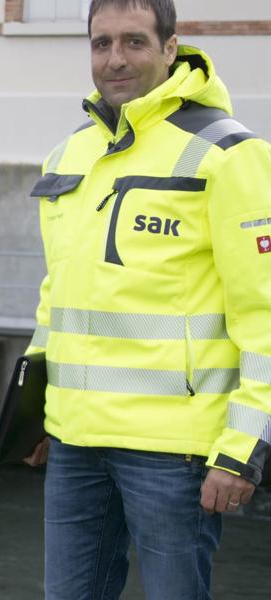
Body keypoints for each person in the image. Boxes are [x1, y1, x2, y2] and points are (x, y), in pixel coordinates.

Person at [23, 0, 271, 597]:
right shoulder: (69, 154)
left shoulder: (229, 154)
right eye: (100, 43)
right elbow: (57, 299)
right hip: (76, 445)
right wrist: (36, 410)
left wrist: (242, 452)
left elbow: (264, 317)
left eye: (134, 42)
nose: (115, 59)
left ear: (170, 48)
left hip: (176, 455)